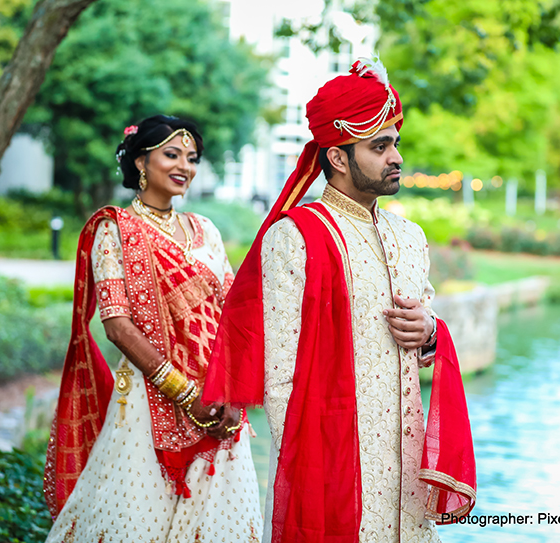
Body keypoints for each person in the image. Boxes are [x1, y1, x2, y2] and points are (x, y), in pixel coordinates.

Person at [203, 57, 476, 543]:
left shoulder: (410, 237)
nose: (396, 157)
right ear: (337, 157)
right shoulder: (296, 237)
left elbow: (425, 336)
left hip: (406, 468)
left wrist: (432, 333)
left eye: (395, 144)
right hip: (334, 464)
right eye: (379, 146)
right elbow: (281, 374)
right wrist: (313, 475)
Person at [43, 115, 263, 543]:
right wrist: (185, 393)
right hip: (144, 403)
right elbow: (117, 325)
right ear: (142, 162)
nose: (185, 165)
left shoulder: (206, 230)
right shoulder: (115, 230)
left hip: (219, 402)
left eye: (192, 157)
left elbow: (233, 314)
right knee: (136, 522)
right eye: (172, 154)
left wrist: (232, 394)